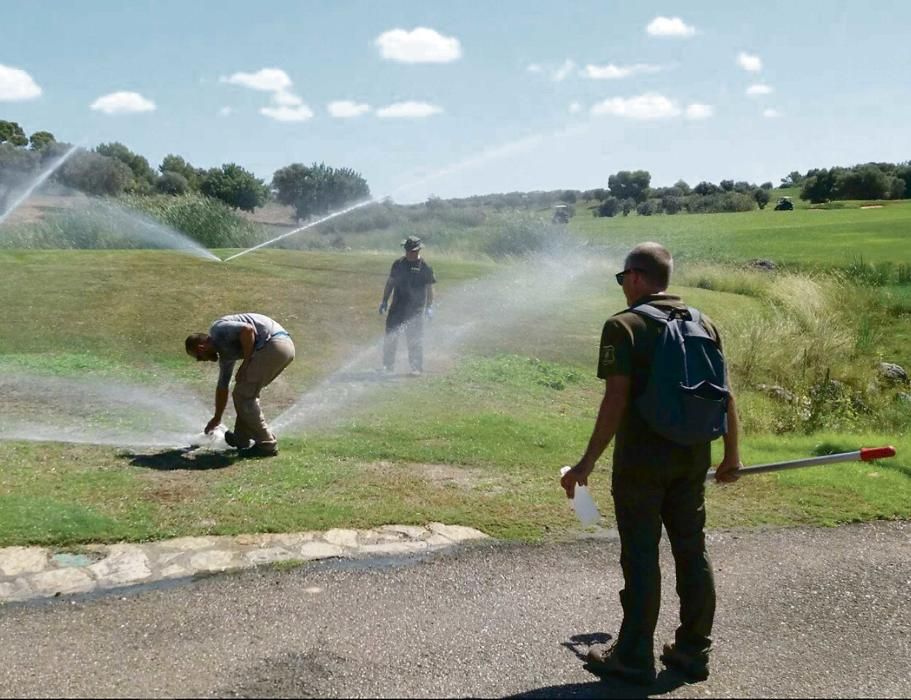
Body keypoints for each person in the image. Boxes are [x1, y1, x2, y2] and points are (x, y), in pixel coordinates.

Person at [560, 242, 742, 685]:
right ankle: (693, 652)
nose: (623, 287)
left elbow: (615, 400)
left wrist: (584, 465)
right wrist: (731, 455)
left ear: (637, 277)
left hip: (642, 464)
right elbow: (726, 395)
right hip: (692, 459)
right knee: (691, 551)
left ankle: (634, 656)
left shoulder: (624, 325)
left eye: (623, 279)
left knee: (641, 557)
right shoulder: (703, 322)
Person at [185, 312, 295, 457]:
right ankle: (241, 438)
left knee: (243, 395)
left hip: (274, 344)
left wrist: (246, 363)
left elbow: (247, 330)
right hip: (279, 348)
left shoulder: (217, 329)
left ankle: (266, 444)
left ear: (201, 348)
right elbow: (222, 386)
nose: (201, 360)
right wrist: (217, 417)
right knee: (244, 392)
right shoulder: (225, 355)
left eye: (199, 357)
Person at [379, 236, 436, 375]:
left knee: (414, 338)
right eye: (408, 250)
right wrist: (384, 300)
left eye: (413, 251)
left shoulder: (425, 267)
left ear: (418, 250)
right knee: (391, 336)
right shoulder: (398, 264)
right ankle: (388, 366)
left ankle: (416, 367)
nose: (410, 253)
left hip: (415, 309)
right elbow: (390, 283)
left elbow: (429, 288)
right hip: (397, 307)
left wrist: (429, 307)